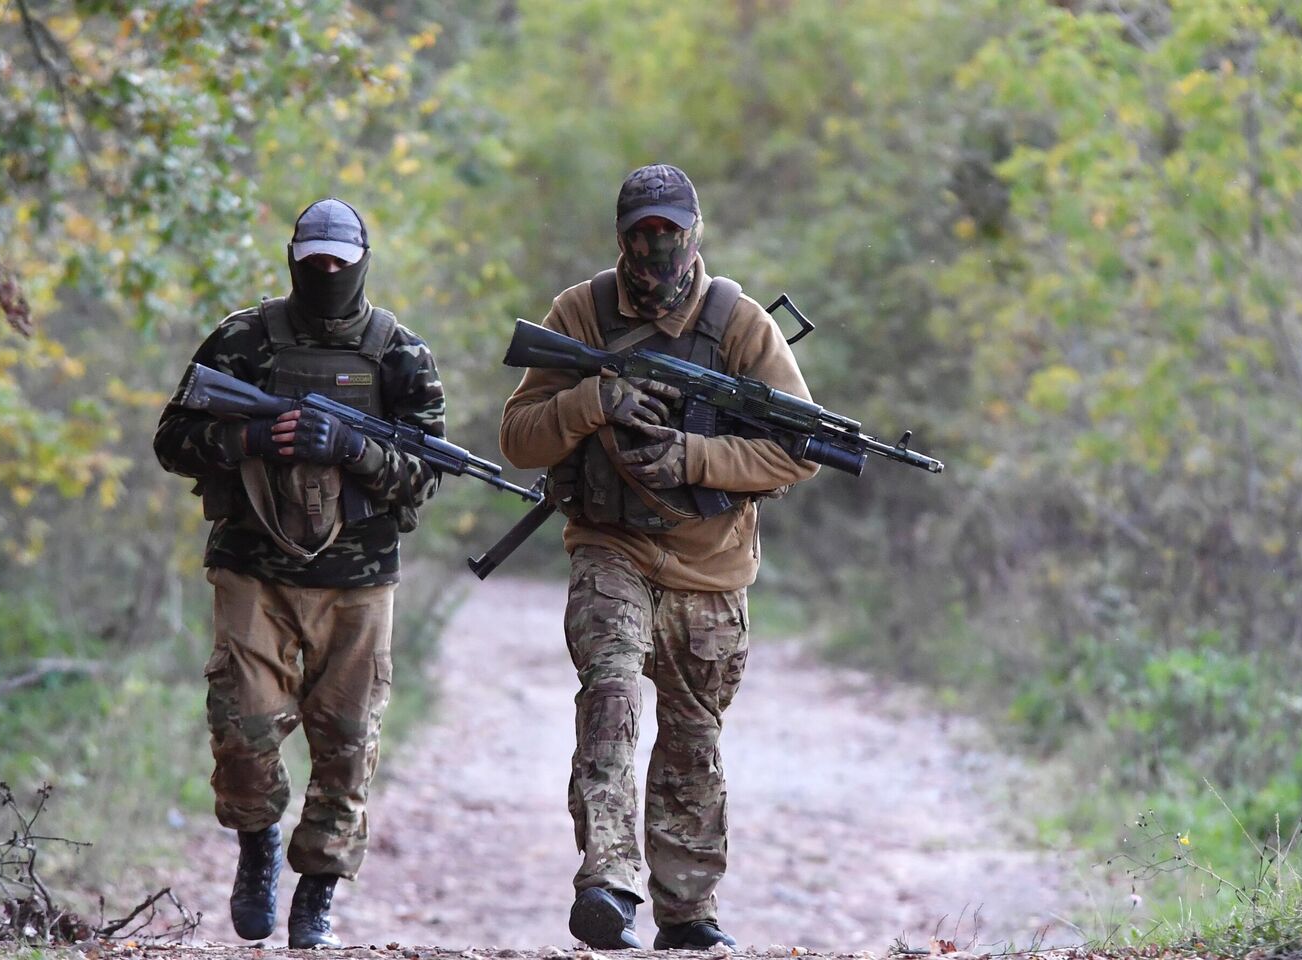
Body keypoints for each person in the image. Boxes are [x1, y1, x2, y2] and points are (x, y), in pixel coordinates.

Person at [499, 164, 819, 952]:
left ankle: (686, 910)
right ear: (620, 237)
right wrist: (590, 403)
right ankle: (609, 879)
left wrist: (692, 456)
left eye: (668, 233)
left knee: (692, 740)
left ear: (694, 232)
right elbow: (518, 438)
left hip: (710, 565)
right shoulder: (579, 312)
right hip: (611, 547)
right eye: (641, 234)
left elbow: (800, 451)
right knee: (608, 695)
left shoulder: (739, 323)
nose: (655, 249)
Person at [153, 197, 445, 949]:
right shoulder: (242, 340)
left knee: (348, 742)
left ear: (361, 264)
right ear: (291, 258)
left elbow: (427, 473)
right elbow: (173, 439)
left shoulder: (400, 355)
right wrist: (252, 435)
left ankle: (316, 890)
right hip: (253, 567)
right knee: (242, 728)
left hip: (360, 580)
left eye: (336, 265)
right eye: (310, 262)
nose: (323, 274)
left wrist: (352, 449)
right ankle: (256, 849)